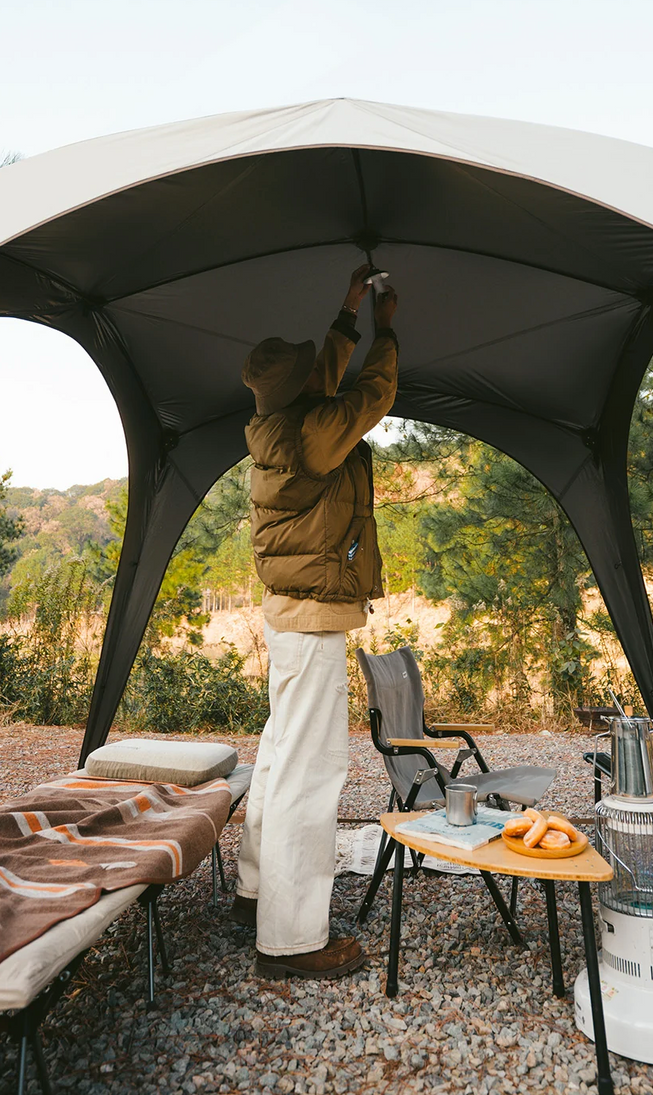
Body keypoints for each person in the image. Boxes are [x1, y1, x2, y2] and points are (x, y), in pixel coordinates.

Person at [233, 263, 399, 979]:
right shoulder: (312, 435)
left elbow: (324, 378)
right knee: (311, 772)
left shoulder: (276, 424)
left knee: (278, 755)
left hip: (288, 616)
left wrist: (349, 307)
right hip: (311, 620)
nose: (317, 374)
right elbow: (371, 393)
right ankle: (293, 939)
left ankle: (256, 890)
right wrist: (387, 327)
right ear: (298, 390)